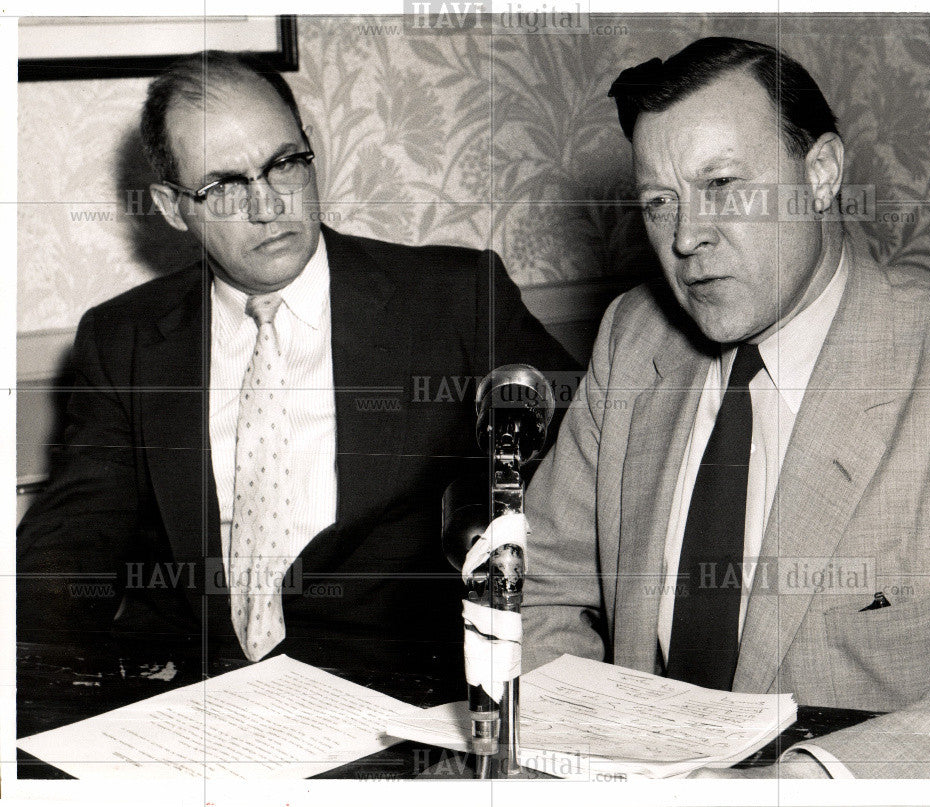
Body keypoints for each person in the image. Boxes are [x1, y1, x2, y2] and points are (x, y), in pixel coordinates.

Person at [17, 50, 576, 679]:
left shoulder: (457, 300)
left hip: (398, 701)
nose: (268, 205)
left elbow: (590, 467)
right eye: (224, 187)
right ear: (173, 208)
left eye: (283, 164)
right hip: (193, 702)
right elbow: (70, 547)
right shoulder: (125, 341)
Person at [521, 37, 930, 778]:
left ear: (821, 174)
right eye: (659, 203)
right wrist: (579, 751)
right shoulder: (634, 334)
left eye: (722, 184)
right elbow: (539, 581)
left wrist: (803, 782)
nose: (687, 237)